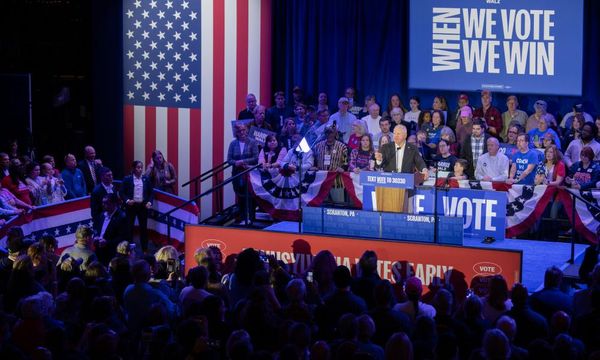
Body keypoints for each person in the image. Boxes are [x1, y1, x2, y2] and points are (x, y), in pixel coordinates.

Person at [227, 123, 259, 222]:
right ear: (237, 133)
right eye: (240, 131)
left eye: (244, 130)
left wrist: (244, 161)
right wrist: (236, 162)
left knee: (250, 196)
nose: (242, 132)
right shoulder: (233, 144)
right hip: (237, 173)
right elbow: (229, 159)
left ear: (247, 130)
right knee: (240, 195)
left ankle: (251, 218)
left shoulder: (253, 142)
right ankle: (242, 217)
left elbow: (256, 158)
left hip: (249, 173)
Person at [121, 160, 153, 253]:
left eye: (141, 167)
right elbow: (121, 192)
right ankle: (130, 248)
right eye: (138, 167)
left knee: (143, 228)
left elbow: (151, 192)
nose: (140, 169)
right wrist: (127, 201)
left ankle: (145, 249)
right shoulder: (127, 179)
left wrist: (149, 203)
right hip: (131, 206)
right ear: (133, 168)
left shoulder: (146, 179)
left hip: (142, 207)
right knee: (129, 227)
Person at [311, 126, 348, 204]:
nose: (329, 135)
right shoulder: (317, 146)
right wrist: (313, 166)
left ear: (335, 134)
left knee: (339, 205)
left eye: (331, 133)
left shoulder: (342, 147)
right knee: (321, 205)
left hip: (336, 180)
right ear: (325, 134)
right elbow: (313, 160)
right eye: (327, 133)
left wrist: (342, 168)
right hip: (321, 181)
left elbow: (345, 163)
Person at [92, 193, 128, 264]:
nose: (103, 205)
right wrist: (95, 236)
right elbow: (96, 227)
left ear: (114, 204)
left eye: (106, 203)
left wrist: (107, 242)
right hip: (99, 250)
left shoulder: (121, 217)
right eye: (103, 203)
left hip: (111, 253)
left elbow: (122, 238)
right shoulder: (102, 214)